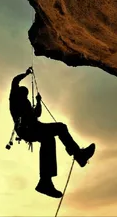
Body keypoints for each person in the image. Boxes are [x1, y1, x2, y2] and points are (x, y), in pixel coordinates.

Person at [9, 67, 96, 198]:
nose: (25, 94)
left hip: (33, 128)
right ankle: (79, 156)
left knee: (50, 138)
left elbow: (37, 114)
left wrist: (38, 102)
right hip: (27, 129)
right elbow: (15, 80)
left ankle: (46, 181)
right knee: (58, 129)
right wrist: (26, 74)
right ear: (19, 92)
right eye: (24, 92)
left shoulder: (25, 103)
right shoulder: (14, 97)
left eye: (26, 93)